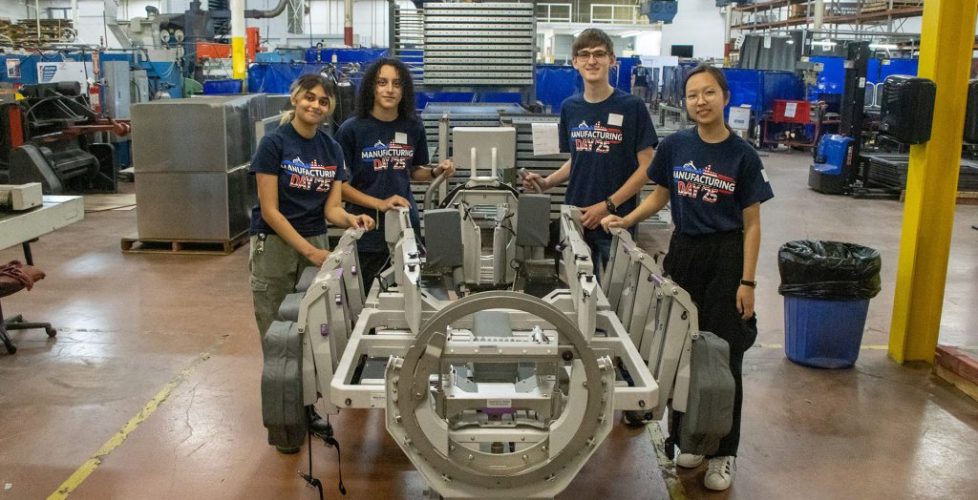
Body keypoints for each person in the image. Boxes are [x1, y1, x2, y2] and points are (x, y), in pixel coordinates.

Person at [601, 64, 774, 491]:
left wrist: (747, 282)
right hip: (685, 253)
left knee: (723, 355)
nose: (701, 101)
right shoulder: (676, 145)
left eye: (709, 93)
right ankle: (688, 439)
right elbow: (661, 193)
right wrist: (626, 219)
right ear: (685, 101)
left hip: (727, 257)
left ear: (725, 97)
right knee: (682, 351)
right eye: (693, 94)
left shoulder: (743, 156)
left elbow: (752, 224)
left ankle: (724, 452)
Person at [248, 73, 375, 453]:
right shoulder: (274, 144)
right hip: (275, 246)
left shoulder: (331, 149)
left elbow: (332, 208)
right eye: (309, 98)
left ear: (330, 107)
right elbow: (270, 211)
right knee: (277, 339)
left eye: (323, 101)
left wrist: (352, 218)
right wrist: (308, 251)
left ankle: (303, 411)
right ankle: (283, 425)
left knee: (310, 333)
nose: (315, 105)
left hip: (315, 242)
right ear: (295, 98)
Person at [522, 28, 657, 275]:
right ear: (575, 62)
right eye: (584, 55)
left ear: (612, 60)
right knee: (572, 290)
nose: (591, 61)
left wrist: (608, 205)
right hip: (575, 216)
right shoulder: (570, 107)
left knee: (611, 299)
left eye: (599, 54)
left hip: (614, 221)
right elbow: (580, 158)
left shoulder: (632, 107)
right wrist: (548, 181)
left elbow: (647, 167)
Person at [336, 58, 455, 290]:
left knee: (407, 299)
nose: (389, 89)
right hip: (366, 233)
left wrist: (436, 172)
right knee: (367, 304)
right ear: (372, 87)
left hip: (406, 229)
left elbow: (414, 170)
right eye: (382, 82)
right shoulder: (351, 130)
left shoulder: (412, 126)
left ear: (404, 91)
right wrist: (380, 204)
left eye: (396, 84)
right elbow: (340, 188)